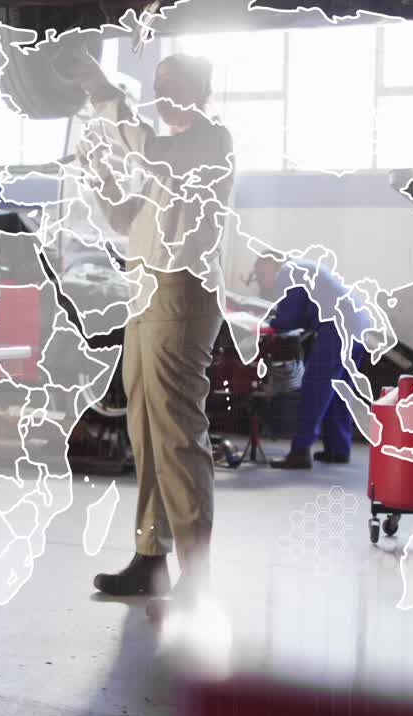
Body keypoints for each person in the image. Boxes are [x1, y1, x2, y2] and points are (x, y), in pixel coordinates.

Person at [69, 52, 235, 598]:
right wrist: (96, 169)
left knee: (177, 433)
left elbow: (155, 154)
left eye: (175, 82)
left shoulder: (209, 141)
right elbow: (124, 217)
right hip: (145, 293)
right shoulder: (169, 156)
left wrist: (103, 91)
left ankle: (199, 573)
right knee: (144, 428)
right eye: (158, 84)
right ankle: (151, 556)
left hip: (181, 296)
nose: (163, 93)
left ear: (201, 88)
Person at [251, 256, 369, 469]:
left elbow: (287, 320)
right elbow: (303, 314)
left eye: (261, 275)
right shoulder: (303, 268)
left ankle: (300, 452)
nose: (260, 281)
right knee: (338, 390)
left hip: (337, 326)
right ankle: (338, 449)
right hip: (358, 323)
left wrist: (262, 323)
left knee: (316, 387)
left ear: (273, 265)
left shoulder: (289, 271)